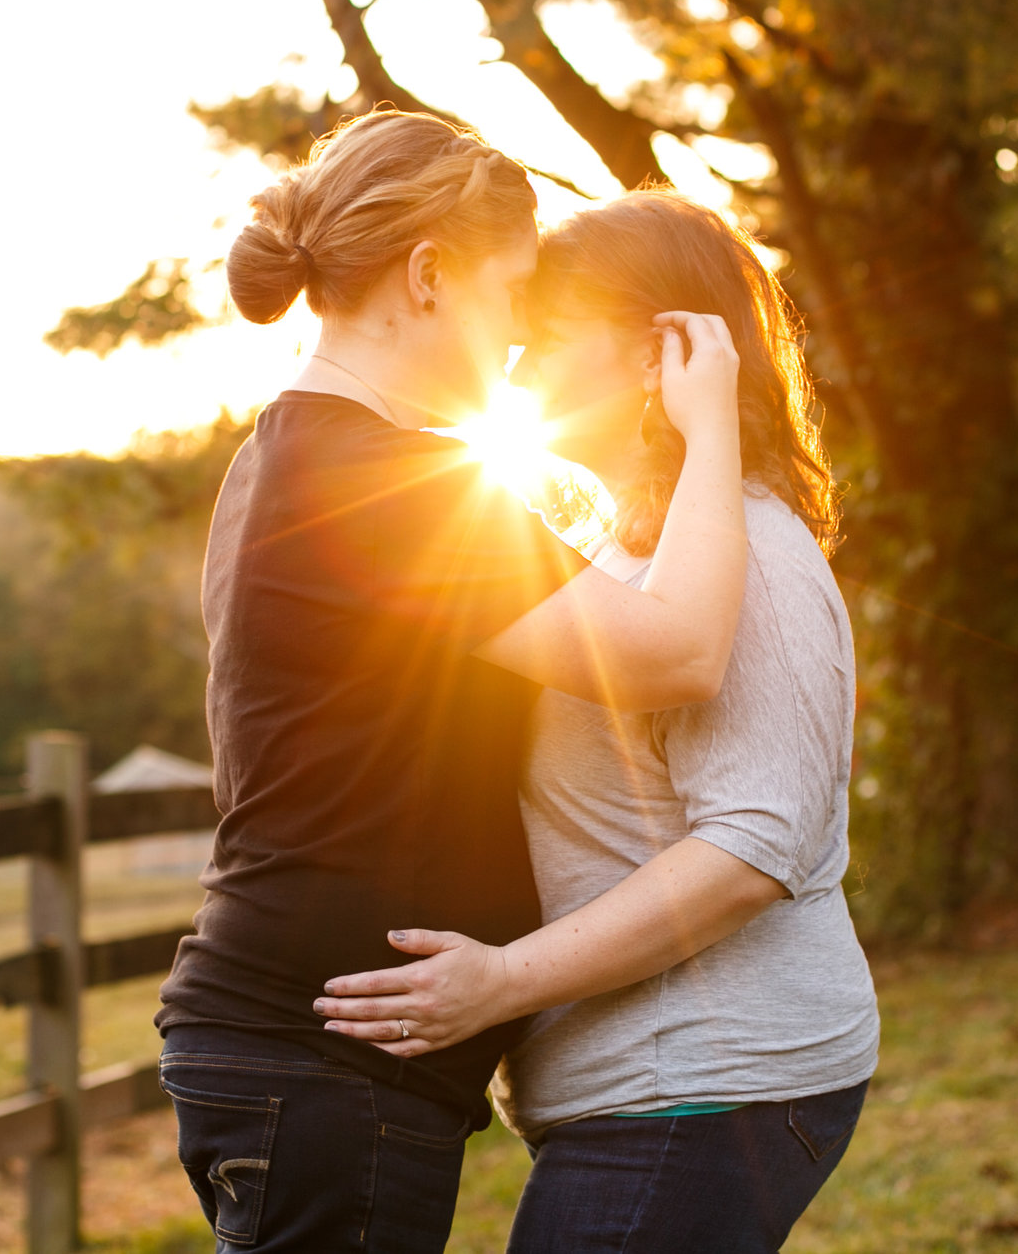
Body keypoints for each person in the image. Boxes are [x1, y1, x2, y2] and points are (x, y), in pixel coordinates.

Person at [155, 114, 751, 1254]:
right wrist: (710, 419)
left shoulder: (287, 452)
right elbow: (679, 651)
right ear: (430, 275)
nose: (519, 339)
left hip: (290, 1040)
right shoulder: (392, 482)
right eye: (509, 291)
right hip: (322, 1055)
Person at [314, 190, 878, 1254]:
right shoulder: (637, 559)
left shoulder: (751, 554)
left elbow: (753, 850)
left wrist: (500, 980)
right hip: (649, 1087)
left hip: (711, 1086)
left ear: (657, 352)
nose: (515, 372)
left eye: (544, 339)